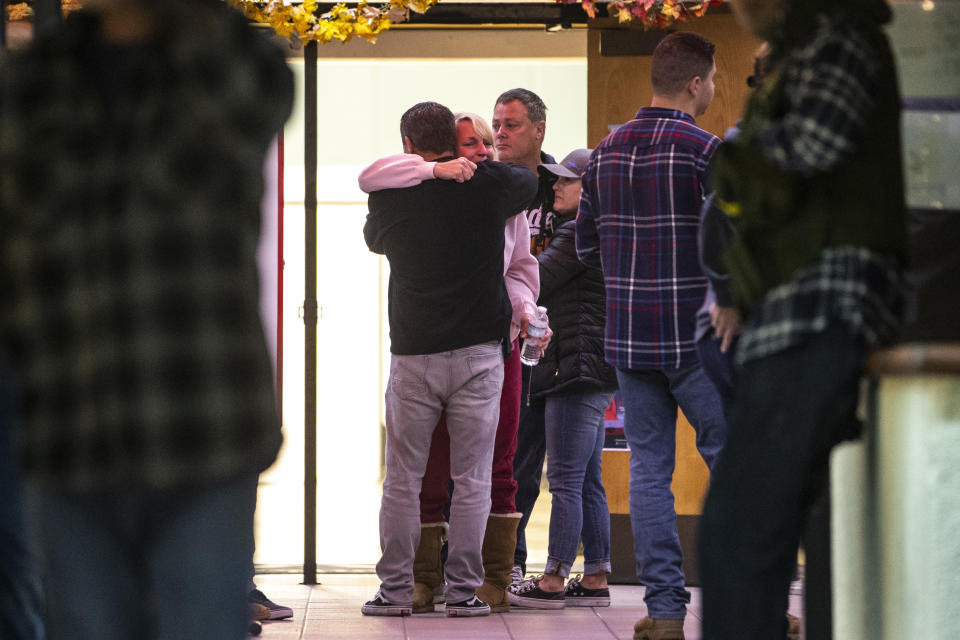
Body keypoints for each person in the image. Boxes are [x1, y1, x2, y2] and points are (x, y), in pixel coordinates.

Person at [0, 1, 293, 638]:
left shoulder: (234, 64)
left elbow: (242, 102)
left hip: (200, 422)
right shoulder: (37, 82)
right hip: (73, 425)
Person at [698, 1, 907, 639]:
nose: (737, 7)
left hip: (819, 312)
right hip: (802, 315)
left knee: (740, 534)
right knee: (772, 531)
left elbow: (798, 157)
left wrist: (738, 163)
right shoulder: (820, 44)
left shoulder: (835, 41)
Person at [357, 111, 546, 613]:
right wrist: (459, 168)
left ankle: (397, 590)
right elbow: (526, 179)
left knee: (403, 481)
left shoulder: (394, 193)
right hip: (479, 357)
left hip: (414, 354)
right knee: (475, 479)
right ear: (456, 146)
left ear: (407, 143)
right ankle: (464, 592)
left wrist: (422, 173)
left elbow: (373, 230)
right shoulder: (490, 188)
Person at [575, 32, 728, 640]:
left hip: (630, 342)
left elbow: (585, 246)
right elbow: (730, 244)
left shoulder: (606, 152)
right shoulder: (706, 151)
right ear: (696, 82)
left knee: (648, 475)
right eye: (713, 79)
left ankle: (663, 613)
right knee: (735, 466)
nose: (714, 89)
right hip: (698, 340)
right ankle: (751, 601)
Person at [507, 149, 618, 610]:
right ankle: (594, 576)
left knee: (568, 480)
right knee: (589, 478)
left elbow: (536, 281)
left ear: (588, 189)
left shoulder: (578, 234)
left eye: (566, 181)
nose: (555, 187)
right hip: (592, 371)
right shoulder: (596, 232)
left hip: (573, 370)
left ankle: (553, 577)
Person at [490, 88, 561, 584]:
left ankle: (512, 560)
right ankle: (470, 560)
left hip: (546, 346)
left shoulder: (564, 188)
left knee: (527, 459)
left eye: (511, 124)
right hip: (486, 335)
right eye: (496, 124)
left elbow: (576, 258)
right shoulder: (483, 181)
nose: (500, 134)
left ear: (538, 129)